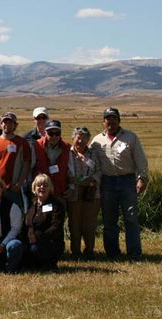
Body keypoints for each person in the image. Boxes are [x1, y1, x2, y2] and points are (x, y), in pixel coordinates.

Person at [91, 107, 148, 260]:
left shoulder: (131, 137)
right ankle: (112, 253)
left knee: (131, 218)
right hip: (107, 182)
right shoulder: (96, 140)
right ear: (103, 121)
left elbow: (140, 159)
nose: (111, 121)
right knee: (109, 220)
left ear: (119, 120)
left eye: (114, 118)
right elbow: (90, 161)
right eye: (108, 118)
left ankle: (134, 253)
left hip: (127, 181)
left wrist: (142, 178)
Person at [67, 127, 102, 259]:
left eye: (84, 138)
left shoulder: (93, 153)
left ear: (88, 140)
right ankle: (75, 252)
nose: (80, 140)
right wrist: (77, 181)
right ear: (73, 138)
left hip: (91, 192)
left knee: (89, 224)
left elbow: (99, 171)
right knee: (74, 223)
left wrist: (92, 179)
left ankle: (89, 251)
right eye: (78, 137)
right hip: (74, 192)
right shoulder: (67, 153)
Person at [0, 112, 31, 209]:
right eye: (5, 122)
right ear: (0, 124)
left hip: (13, 188)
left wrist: (19, 183)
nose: (7, 125)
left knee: (16, 215)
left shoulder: (21, 142)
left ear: (15, 125)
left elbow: (26, 164)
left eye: (10, 123)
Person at [25, 174, 65, 271]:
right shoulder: (32, 204)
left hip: (50, 242)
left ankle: (48, 264)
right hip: (32, 240)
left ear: (50, 188)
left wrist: (38, 237)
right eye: (39, 185)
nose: (42, 187)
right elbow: (27, 224)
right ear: (34, 188)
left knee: (34, 250)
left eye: (45, 185)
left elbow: (56, 226)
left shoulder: (57, 204)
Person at [33, 120, 70, 197]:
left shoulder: (67, 147)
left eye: (57, 133)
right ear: (45, 133)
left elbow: (70, 169)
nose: (54, 136)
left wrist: (71, 186)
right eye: (51, 133)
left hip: (60, 189)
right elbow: (31, 167)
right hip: (41, 190)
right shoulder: (37, 145)